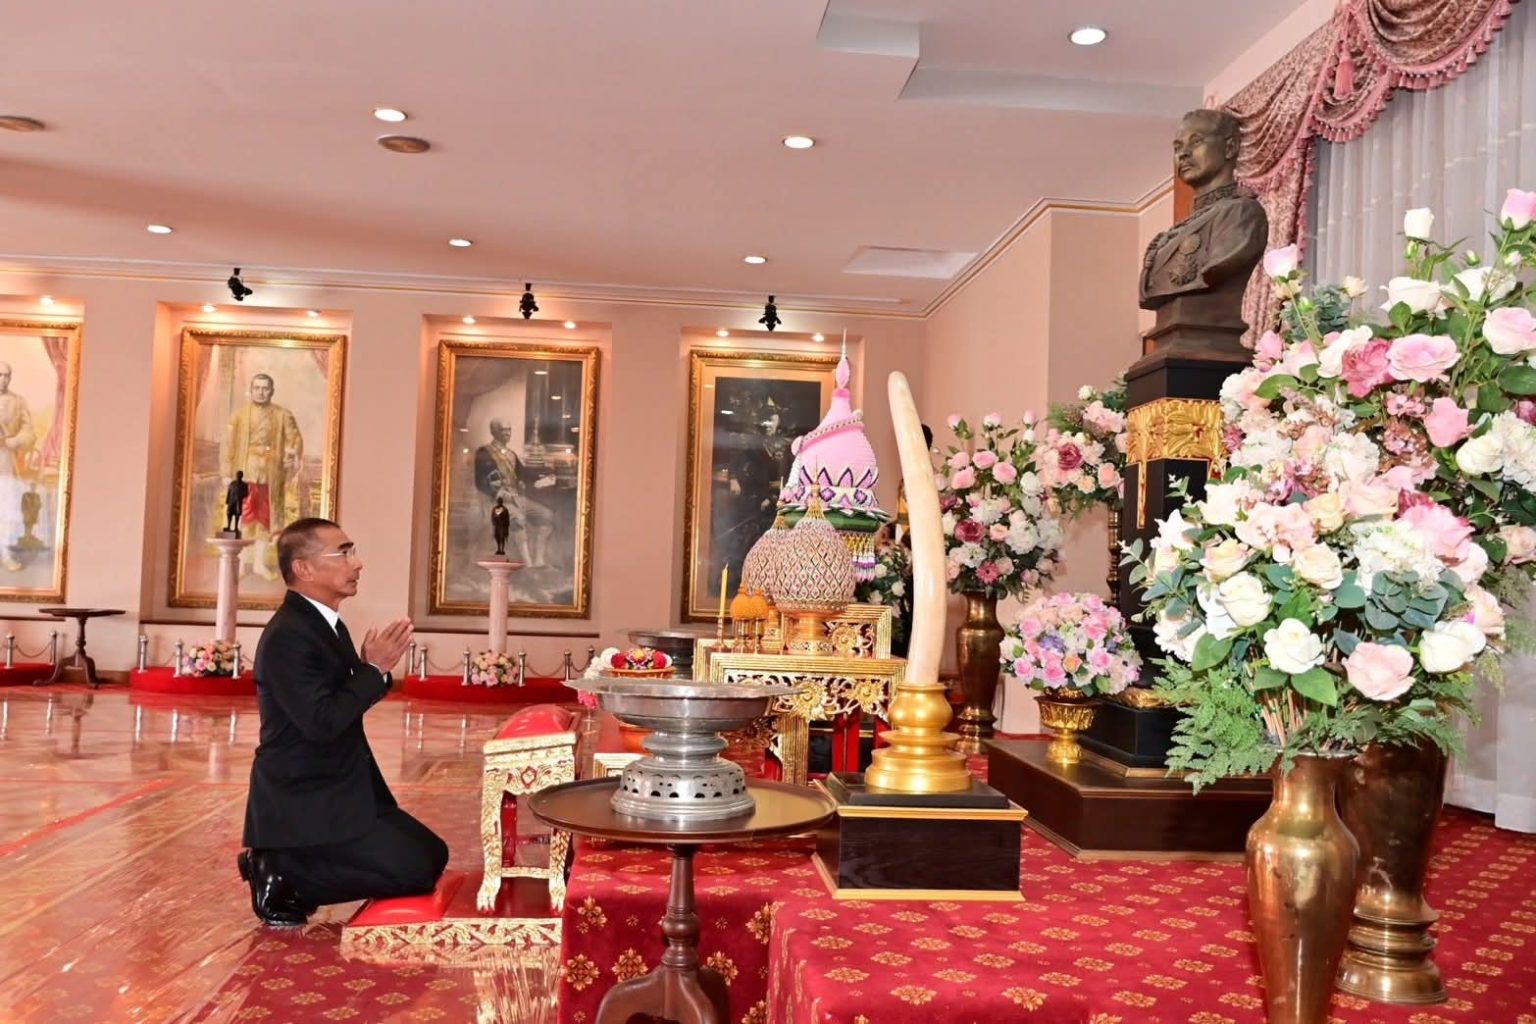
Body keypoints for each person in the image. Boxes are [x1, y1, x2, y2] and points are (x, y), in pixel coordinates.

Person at [238, 517, 446, 926]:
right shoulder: (288, 635)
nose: (357, 564)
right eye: (344, 554)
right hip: (305, 796)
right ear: (304, 568)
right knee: (416, 869)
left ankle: (290, 865)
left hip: (342, 785)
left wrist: (369, 670)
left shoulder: (323, 624)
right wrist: (372, 670)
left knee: (432, 854)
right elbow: (321, 723)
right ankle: (282, 873)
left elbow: (342, 702)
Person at [1139, 108, 1269, 355]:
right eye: (1177, 147)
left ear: (1229, 148)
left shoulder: (1241, 215)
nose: (1183, 154)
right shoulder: (1171, 236)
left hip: (1213, 346)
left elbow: (1214, 270)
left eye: (1196, 142)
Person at [222, 373, 304, 580]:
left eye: (265, 388)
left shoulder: (283, 415)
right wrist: (226, 473)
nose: (261, 392)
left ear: (272, 391)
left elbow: (294, 438)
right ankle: (240, 563)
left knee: (264, 520)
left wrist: (291, 453)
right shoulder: (239, 416)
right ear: (251, 390)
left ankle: (259, 564)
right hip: (245, 473)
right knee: (242, 517)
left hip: (270, 475)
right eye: (257, 388)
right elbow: (228, 445)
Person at [472, 418, 555, 567]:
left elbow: (523, 473)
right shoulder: (484, 452)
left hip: (516, 497)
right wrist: (497, 492)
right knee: (518, 519)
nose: (507, 433)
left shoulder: (511, 454)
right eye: (503, 430)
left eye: (508, 430)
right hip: (497, 500)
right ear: (493, 432)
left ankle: (539, 561)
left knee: (547, 516)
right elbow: (480, 481)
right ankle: (527, 563)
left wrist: (544, 476)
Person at [0, 363, 36, 572]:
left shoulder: (18, 402)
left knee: (6, 508)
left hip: (6, 459)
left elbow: (29, 432)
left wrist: (15, 441)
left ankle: (5, 553)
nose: (3, 379)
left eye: (7, 376)